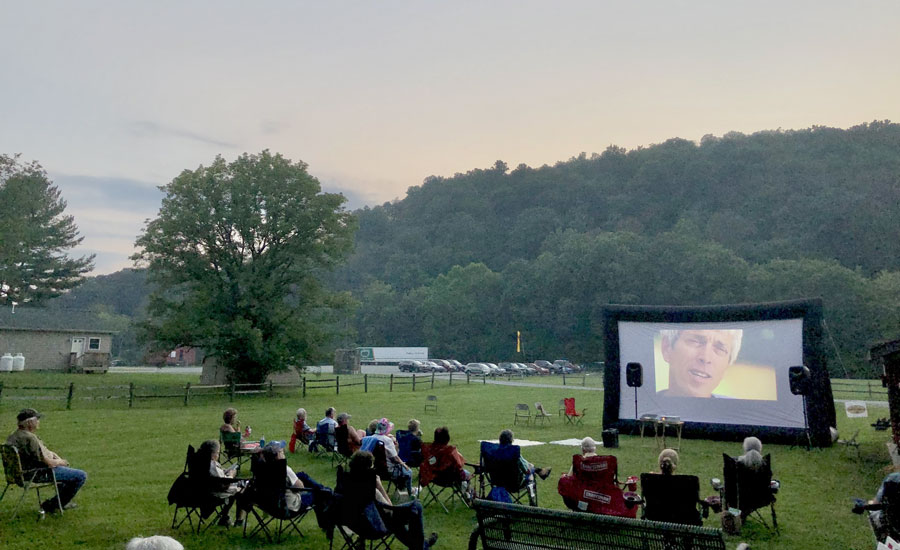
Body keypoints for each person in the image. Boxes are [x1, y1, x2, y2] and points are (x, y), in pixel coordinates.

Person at [346, 451, 438, 549]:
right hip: (376, 526)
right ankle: (421, 546)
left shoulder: (347, 485)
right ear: (368, 469)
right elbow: (390, 509)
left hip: (358, 525)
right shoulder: (371, 490)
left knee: (397, 524)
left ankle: (422, 546)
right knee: (416, 506)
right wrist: (380, 486)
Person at [5, 408, 87, 513]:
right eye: (37, 419)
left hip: (19, 474)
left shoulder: (14, 436)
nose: (38, 422)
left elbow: (40, 454)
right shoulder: (30, 438)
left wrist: (53, 455)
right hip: (36, 474)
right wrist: (62, 462)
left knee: (67, 474)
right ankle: (53, 505)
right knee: (80, 476)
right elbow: (48, 463)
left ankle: (58, 503)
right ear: (30, 422)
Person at [658, 329, 743, 398]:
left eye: (720, 349)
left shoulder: (740, 412)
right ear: (667, 348)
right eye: (695, 341)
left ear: (727, 365)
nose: (706, 358)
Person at [256, 441, 328, 514]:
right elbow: (300, 487)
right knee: (320, 494)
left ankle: (323, 488)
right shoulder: (284, 470)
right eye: (281, 451)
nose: (284, 452)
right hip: (288, 507)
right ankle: (326, 491)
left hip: (269, 506)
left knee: (301, 475)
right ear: (278, 455)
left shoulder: (263, 468)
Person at [197, 439, 247, 526]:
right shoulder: (211, 465)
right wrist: (231, 475)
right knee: (242, 488)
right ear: (212, 454)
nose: (218, 454)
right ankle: (238, 520)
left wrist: (226, 472)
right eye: (217, 452)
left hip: (200, 491)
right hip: (214, 493)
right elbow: (223, 483)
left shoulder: (199, 462)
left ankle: (225, 517)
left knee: (236, 489)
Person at [361, 418, 415, 496]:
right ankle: (410, 493)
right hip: (388, 470)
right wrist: (404, 465)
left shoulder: (370, 438)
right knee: (408, 472)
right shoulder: (387, 440)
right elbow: (395, 458)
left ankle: (402, 489)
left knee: (401, 471)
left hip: (374, 469)